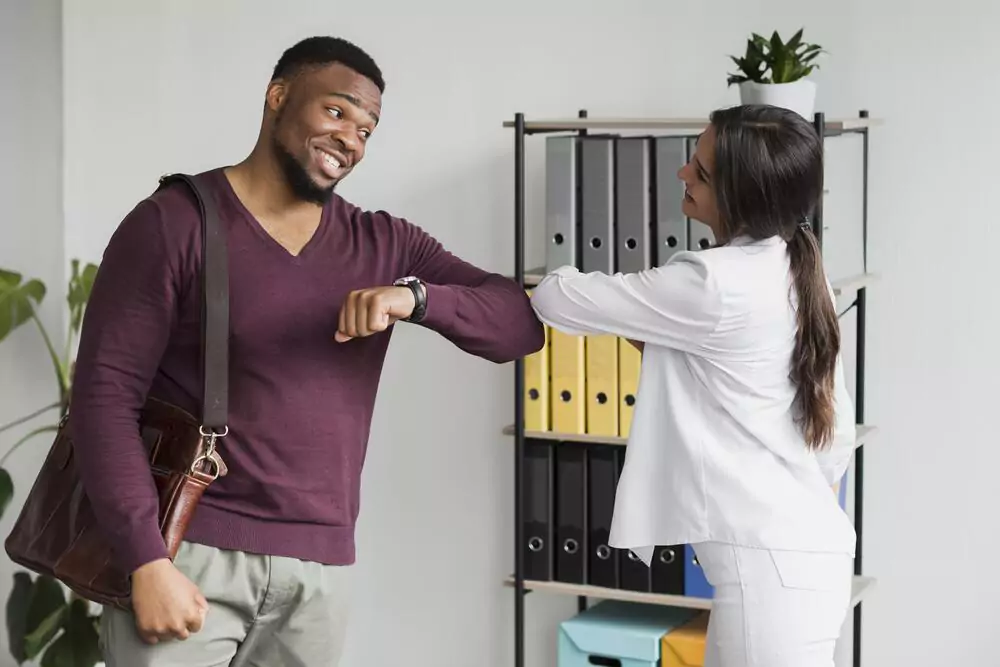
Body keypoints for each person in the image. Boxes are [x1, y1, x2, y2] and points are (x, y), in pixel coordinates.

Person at [70, 35, 545, 667]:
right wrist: (146, 559)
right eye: (338, 111)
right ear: (278, 97)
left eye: (368, 129)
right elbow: (103, 398)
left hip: (320, 574)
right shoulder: (173, 222)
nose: (352, 137)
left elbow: (519, 322)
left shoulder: (384, 243)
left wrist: (415, 298)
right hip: (189, 555)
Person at [529, 104, 857, 667]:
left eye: (701, 171)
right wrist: (656, 335)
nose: (683, 173)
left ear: (742, 195)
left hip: (769, 575)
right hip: (804, 554)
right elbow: (829, 445)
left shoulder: (713, 283)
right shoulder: (798, 266)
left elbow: (555, 296)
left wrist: (632, 319)